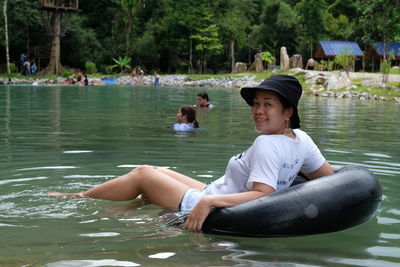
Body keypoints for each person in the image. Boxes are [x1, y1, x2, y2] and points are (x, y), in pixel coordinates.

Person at [48, 75, 333, 232]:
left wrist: (209, 201)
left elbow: (263, 193)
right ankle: (133, 206)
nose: (258, 110)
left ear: (288, 112)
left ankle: (79, 198)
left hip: (214, 202)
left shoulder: (267, 144)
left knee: (143, 173)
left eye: (268, 104)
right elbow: (329, 178)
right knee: (160, 171)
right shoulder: (302, 140)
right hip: (218, 190)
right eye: (256, 103)